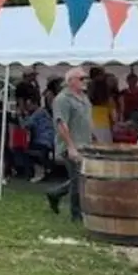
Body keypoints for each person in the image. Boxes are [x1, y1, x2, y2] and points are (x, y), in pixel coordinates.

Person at [47, 67, 93, 220]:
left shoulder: (84, 98)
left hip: (85, 143)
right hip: (71, 145)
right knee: (79, 179)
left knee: (80, 177)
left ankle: (55, 193)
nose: (85, 81)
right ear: (70, 81)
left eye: (86, 78)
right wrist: (70, 147)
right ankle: (76, 214)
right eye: (81, 78)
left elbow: (86, 121)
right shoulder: (62, 99)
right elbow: (61, 124)